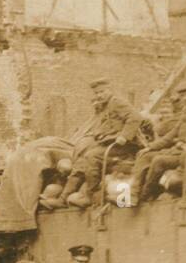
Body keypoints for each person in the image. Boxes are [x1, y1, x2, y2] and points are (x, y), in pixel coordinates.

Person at [129, 78, 186, 204]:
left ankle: (146, 195)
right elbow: (172, 134)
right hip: (179, 151)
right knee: (145, 156)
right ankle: (133, 194)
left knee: (159, 161)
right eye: (182, 96)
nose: (185, 98)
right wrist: (151, 147)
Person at [60, 78, 143, 208]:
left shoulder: (117, 102)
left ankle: (90, 196)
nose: (99, 95)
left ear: (110, 90)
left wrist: (124, 136)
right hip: (112, 144)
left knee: (92, 156)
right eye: (97, 93)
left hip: (125, 146)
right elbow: (108, 126)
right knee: (82, 161)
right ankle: (64, 198)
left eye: (102, 92)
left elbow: (135, 117)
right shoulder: (105, 107)